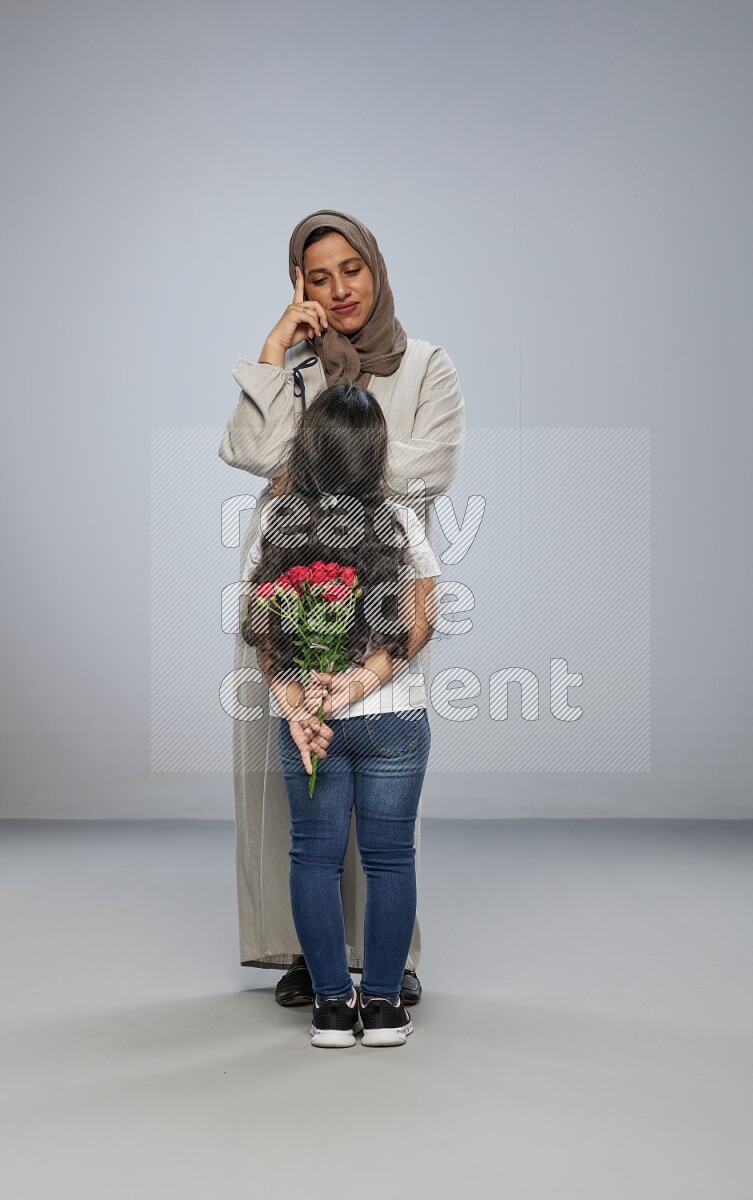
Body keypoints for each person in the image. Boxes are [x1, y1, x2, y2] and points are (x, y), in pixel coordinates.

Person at [219, 208, 465, 1007]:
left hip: (384, 587)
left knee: (385, 797)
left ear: (375, 267)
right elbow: (251, 453)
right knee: (297, 778)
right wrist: (272, 351)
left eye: (350, 269)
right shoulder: (295, 367)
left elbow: (430, 469)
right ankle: (305, 953)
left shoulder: (427, 366)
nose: (338, 290)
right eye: (317, 277)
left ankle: (391, 960)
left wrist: (319, 459)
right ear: (300, 286)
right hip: (292, 582)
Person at [240, 380, 442, 1046]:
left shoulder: (276, 522)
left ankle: (330, 1007)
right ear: (375, 451)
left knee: (313, 857)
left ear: (308, 448)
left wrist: (296, 701)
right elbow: (420, 623)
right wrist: (359, 683)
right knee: (390, 859)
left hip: (309, 725)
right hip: (392, 721)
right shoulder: (400, 520)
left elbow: (264, 630)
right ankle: (381, 1007)